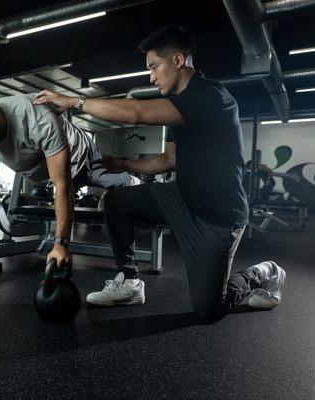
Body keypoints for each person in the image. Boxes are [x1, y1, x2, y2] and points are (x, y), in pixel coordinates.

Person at [34, 25, 286, 318]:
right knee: (117, 201)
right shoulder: (180, 108)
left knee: (208, 309)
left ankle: (265, 272)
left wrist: (74, 101)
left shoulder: (212, 97)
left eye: (155, 66)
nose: (151, 76)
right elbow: (168, 160)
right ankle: (130, 282)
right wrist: (124, 165)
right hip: (181, 199)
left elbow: (136, 113)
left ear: (178, 60)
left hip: (218, 217)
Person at [0, 88, 138, 268]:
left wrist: (61, 244)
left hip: (81, 160)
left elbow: (63, 184)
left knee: (107, 179)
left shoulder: (38, 119)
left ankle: (129, 180)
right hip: (45, 172)